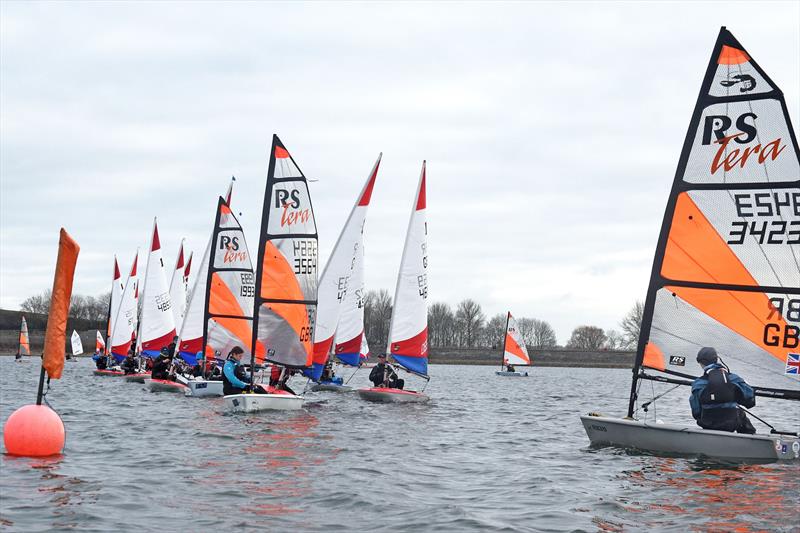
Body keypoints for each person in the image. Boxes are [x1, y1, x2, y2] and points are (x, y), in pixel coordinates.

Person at [690, 347, 756, 434]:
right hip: (732, 424)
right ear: (716, 359)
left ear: (700, 362)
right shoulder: (734, 378)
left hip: (707, 424)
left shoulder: (698, 383)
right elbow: (750, 399)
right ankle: (750, 440)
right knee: (740, 414)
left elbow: (696, 412)